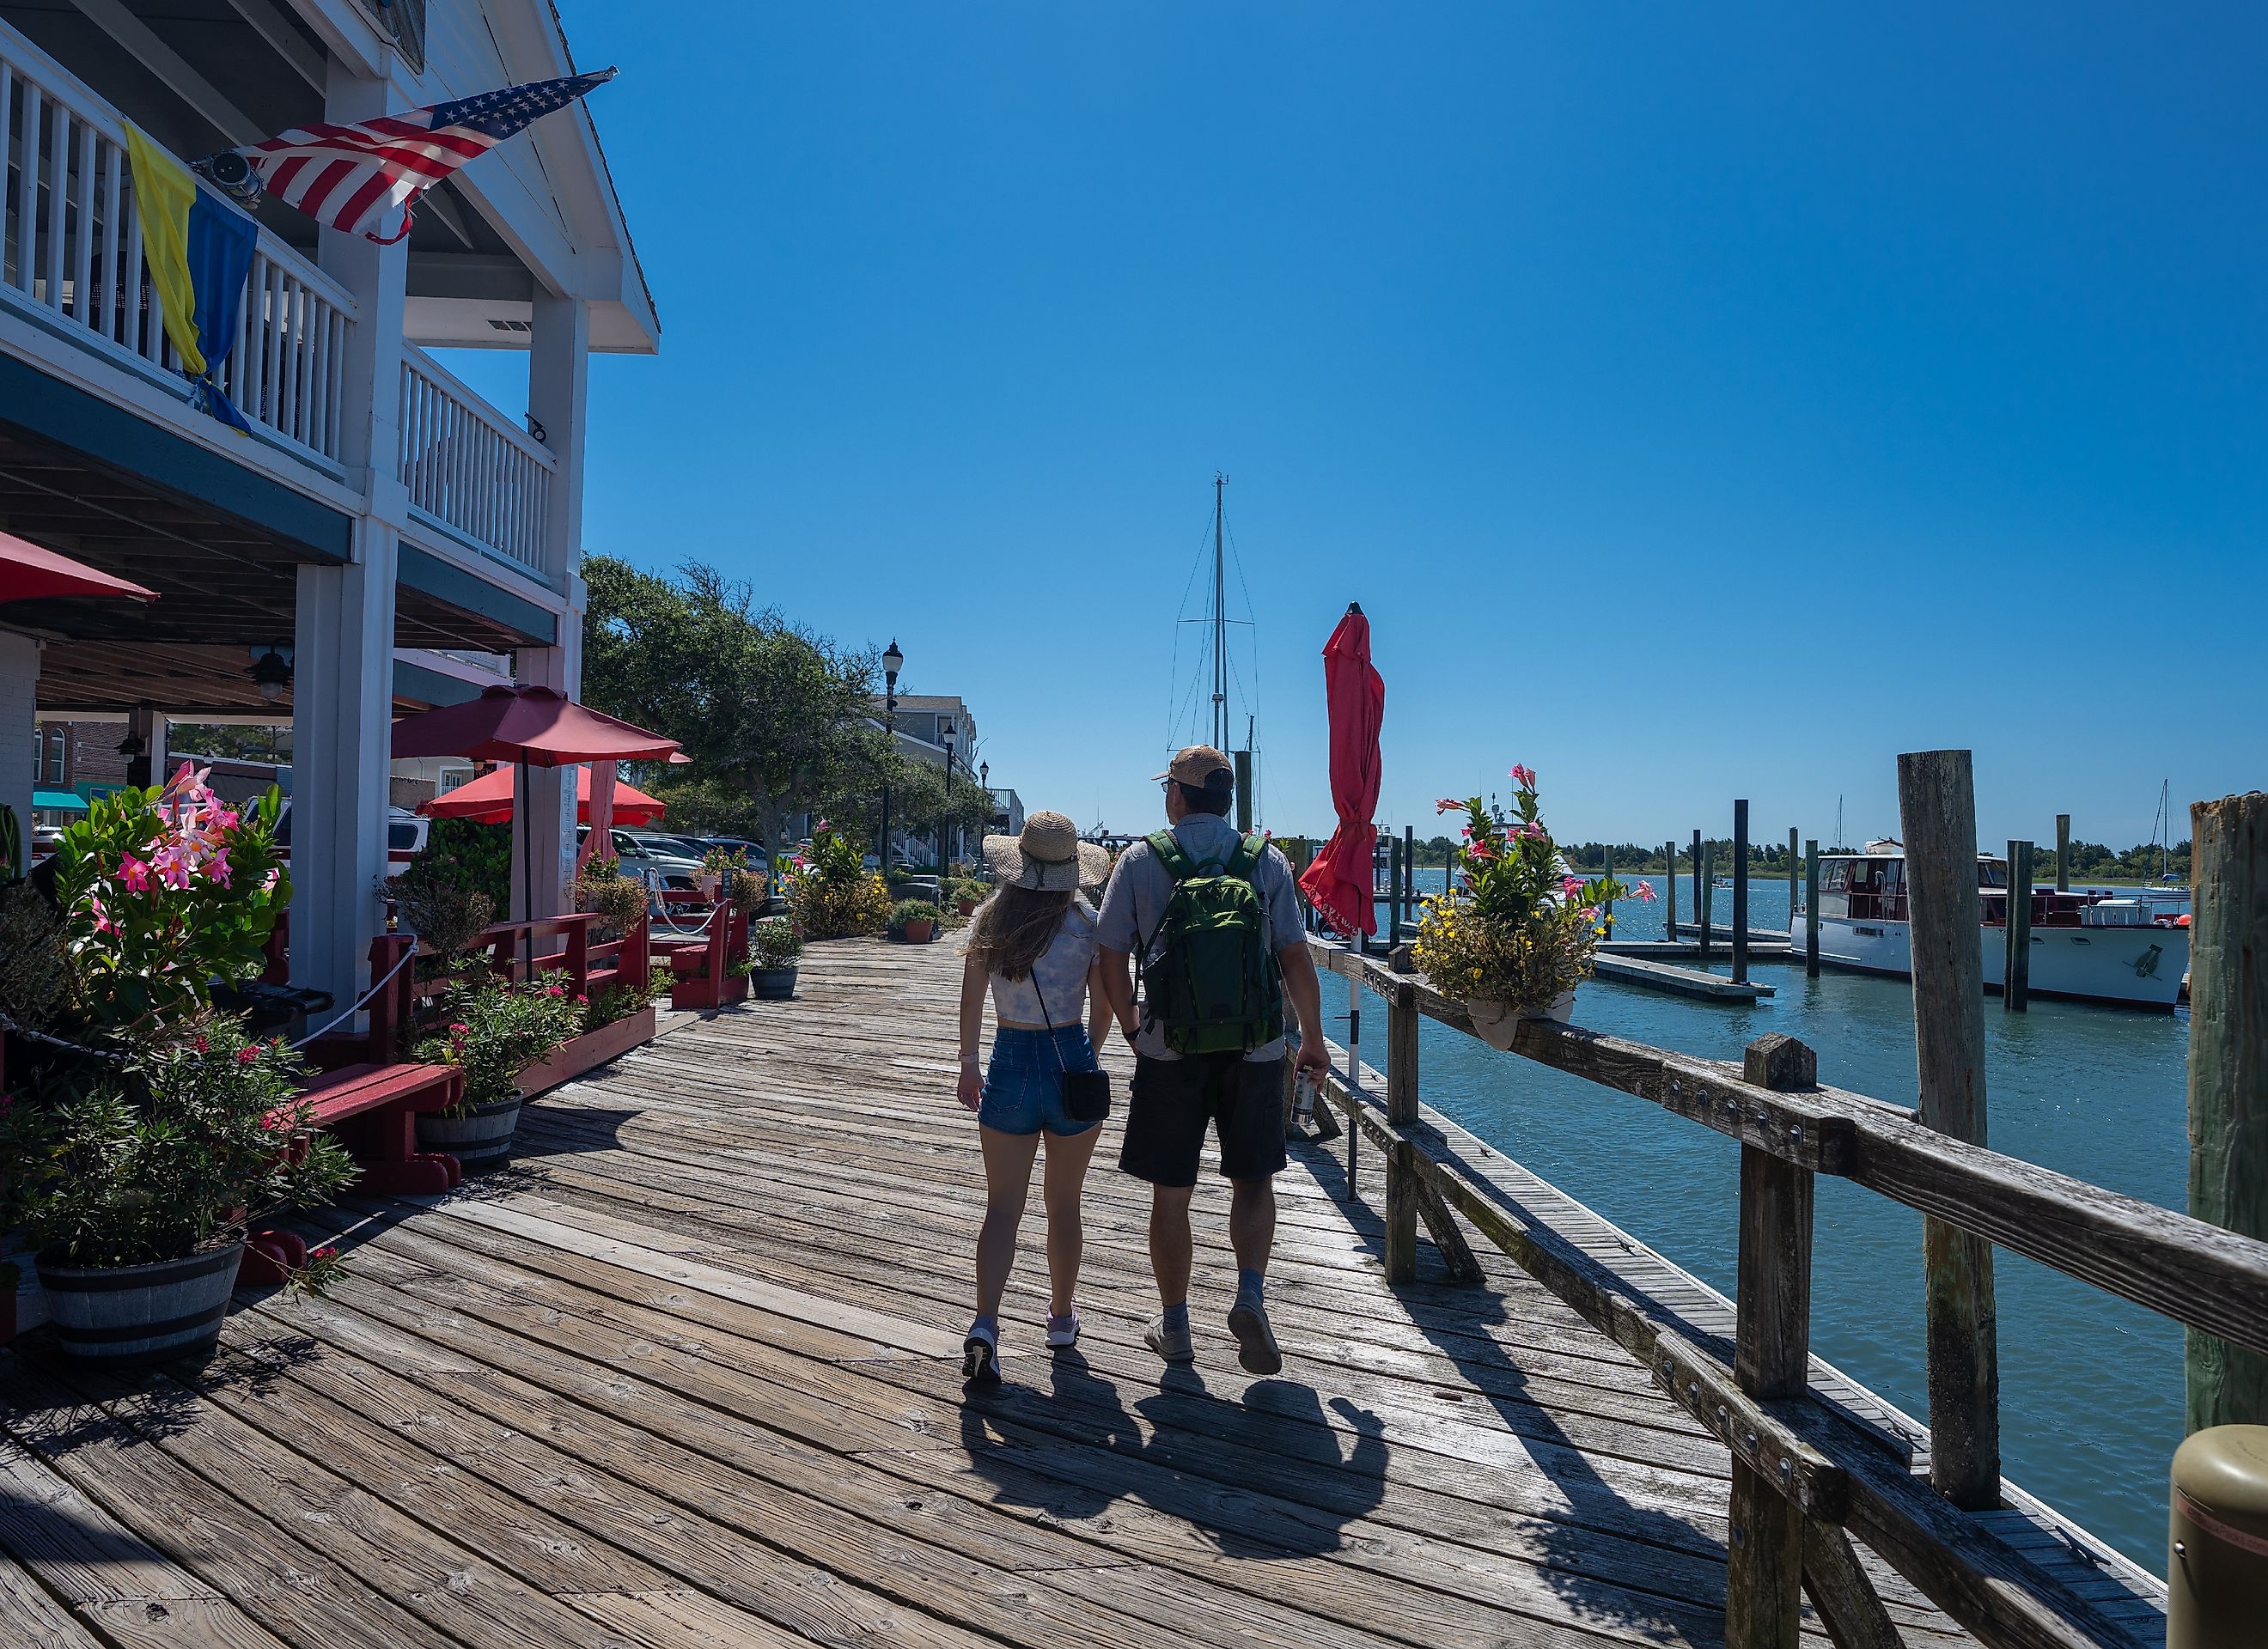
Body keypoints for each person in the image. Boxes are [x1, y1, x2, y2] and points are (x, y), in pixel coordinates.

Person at [1094, 745, 1329, 1374]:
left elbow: (1110, 954)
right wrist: (1311, 1037)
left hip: (1169, 1050)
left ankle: (1175, 1327)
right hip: (1255, 1048)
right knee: (1253, 1180)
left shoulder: (1142, 859)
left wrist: (1128, 1020)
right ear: (1226, 798)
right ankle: (1249, 1293)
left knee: (1171, 1193)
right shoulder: (1266, 860)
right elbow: (1295, 958)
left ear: (1177, 794)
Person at [955, 810, 1115, 1385]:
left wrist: (968, 1066)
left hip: (1009, 1061)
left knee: (1002, 1208)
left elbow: (972, 1002)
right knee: (1064, 1204)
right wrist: (1085, 1056)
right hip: (1070, 1057)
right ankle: (1062, 1318)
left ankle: (986, 1325)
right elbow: (1104, 1009)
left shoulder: (990, 921)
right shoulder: (1087, 925)